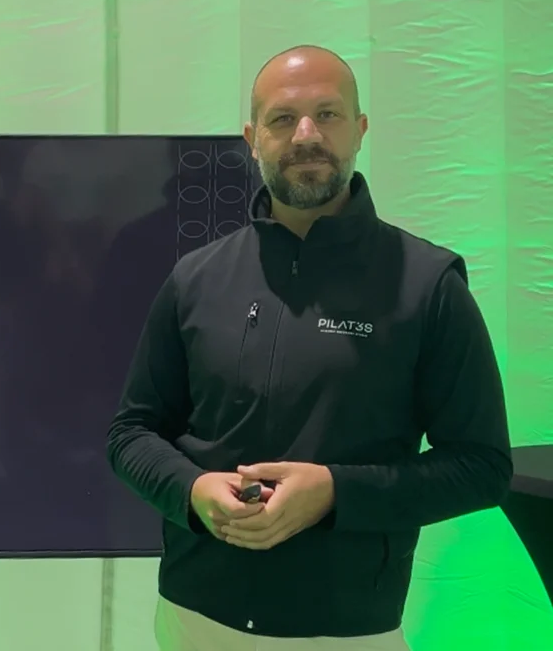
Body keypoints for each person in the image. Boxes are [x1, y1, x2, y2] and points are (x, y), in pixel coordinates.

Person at [106, 44, 513, 651]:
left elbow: (482, 468)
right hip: (195, 619)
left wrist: (335, 493)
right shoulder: (196, 278)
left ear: (360, 129)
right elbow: (131, 433)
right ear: (252, 139)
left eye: (327, 114)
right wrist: (191, 491)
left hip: (349, 629)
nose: (306, 135)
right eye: (282, 118)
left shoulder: (427, 284)